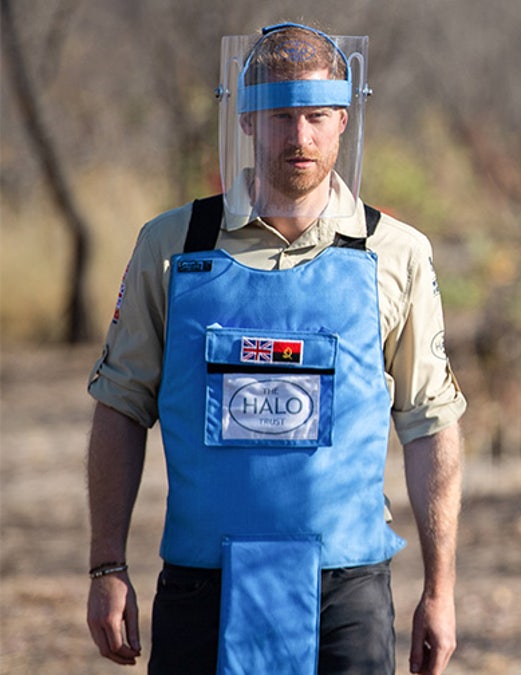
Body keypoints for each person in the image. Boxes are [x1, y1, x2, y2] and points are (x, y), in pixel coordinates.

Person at [84, 22, 466, 675]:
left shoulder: (395, 254)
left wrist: (440, 590)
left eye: (316, 115)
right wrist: (107, 564)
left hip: (346, 591)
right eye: (280, 115)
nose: (300, 136)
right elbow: (120, 407)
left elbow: (431, 424)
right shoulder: (173, 245)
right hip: (201, 585)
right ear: (247, 120)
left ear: (343, 119)